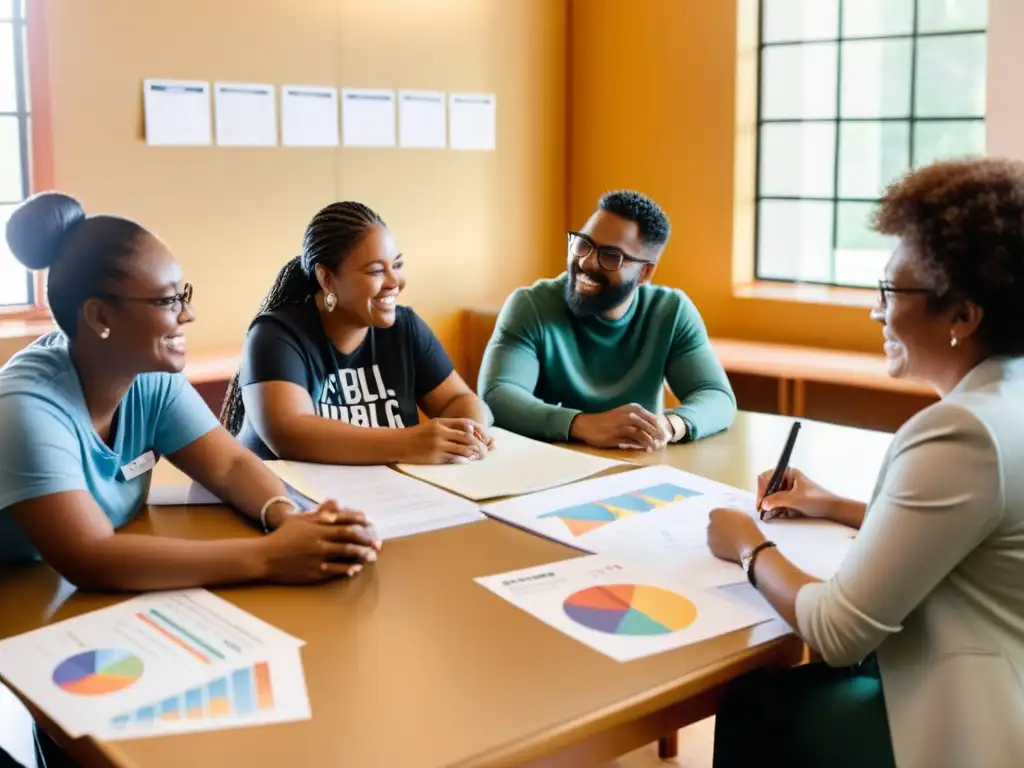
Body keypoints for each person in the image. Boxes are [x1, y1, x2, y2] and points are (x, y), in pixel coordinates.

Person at [707, 158, 1024, 768]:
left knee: (759, 706)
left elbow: (837, 629)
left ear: (962, 316)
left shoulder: (960, 432)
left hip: (971, 725)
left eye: (890, 292)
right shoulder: (1006, 397)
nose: (875, 312)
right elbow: (970, 532)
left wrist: (748, 546)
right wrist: (832, 505)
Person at [0, 192, 382, 590]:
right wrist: (271, 557)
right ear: (100, 316)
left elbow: (229, 466)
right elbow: (91, 557)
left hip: (60, 591)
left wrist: (288, 517)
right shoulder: (25, 410)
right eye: (167, 300)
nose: (188, 314)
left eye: (184, 295)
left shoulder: (148, 377)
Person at [221, 201, 494, 465]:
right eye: (376, 270)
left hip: (382, 498)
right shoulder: (274, 335)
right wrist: (410, 442)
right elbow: (290, 433)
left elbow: (460, 400)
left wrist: (470, 432)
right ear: (327, 279)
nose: (394, 282)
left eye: (396, 265)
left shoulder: (405, 327)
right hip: (288, 503)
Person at [477, 190, 736, 451]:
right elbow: (498, 395)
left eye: (611, 256)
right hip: (549, 465)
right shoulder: (531, 305)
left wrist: (669, 426)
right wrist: (581, 424)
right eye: (583, 244)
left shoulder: (671, 311)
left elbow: (717, 396)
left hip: (638, 465)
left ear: (645, 272)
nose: (587, 262)